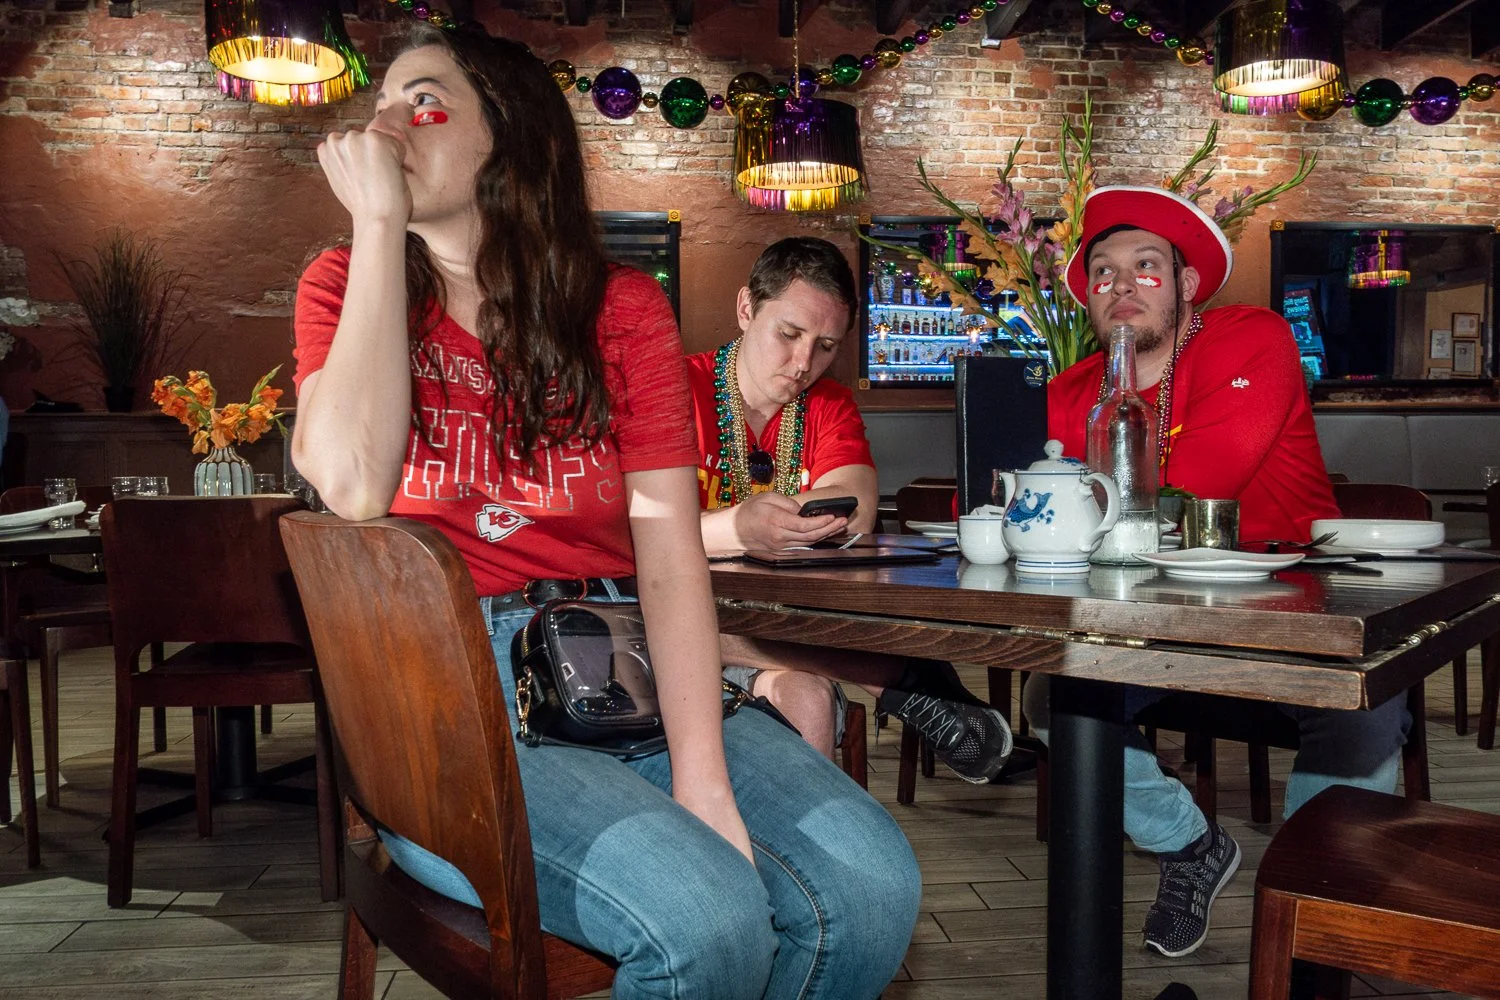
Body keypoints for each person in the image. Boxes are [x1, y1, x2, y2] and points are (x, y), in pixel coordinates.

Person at [290, 24, 920, 999]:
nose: (383, 125)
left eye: (420, 101)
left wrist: (702, 780)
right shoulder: (344, 283)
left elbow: (667, 554)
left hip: (626, 666)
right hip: (452, 706)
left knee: (876, 888)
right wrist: (379, 226)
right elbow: (353, 481)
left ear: (513, 137)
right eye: (382, 103)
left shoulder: (621, 309)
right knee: (707, 920)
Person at [1025, 185, 1406, 960]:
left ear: (1189, 283)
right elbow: (1017, 501)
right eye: (1102, 273)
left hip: (1297, 602)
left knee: (1362, 707)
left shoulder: (1251, 339)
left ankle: (1311, 917)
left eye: (1145, 266)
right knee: (1048, 691)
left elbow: (1207, 477)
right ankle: (1188, 846)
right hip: (1152, 615)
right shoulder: (1071, 391)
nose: (1121, 285)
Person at [687, 236, 1013, 782]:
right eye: (788, 335)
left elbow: (855, 512)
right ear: (746, 308)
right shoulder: (677, 388)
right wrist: (744, 527)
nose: (803, 363)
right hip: (671, 617)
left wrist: (716, 529)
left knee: (806, 696)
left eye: (825, 346)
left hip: (782, 624)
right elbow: (641, 535)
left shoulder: (830, 403)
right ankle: (894, 671)